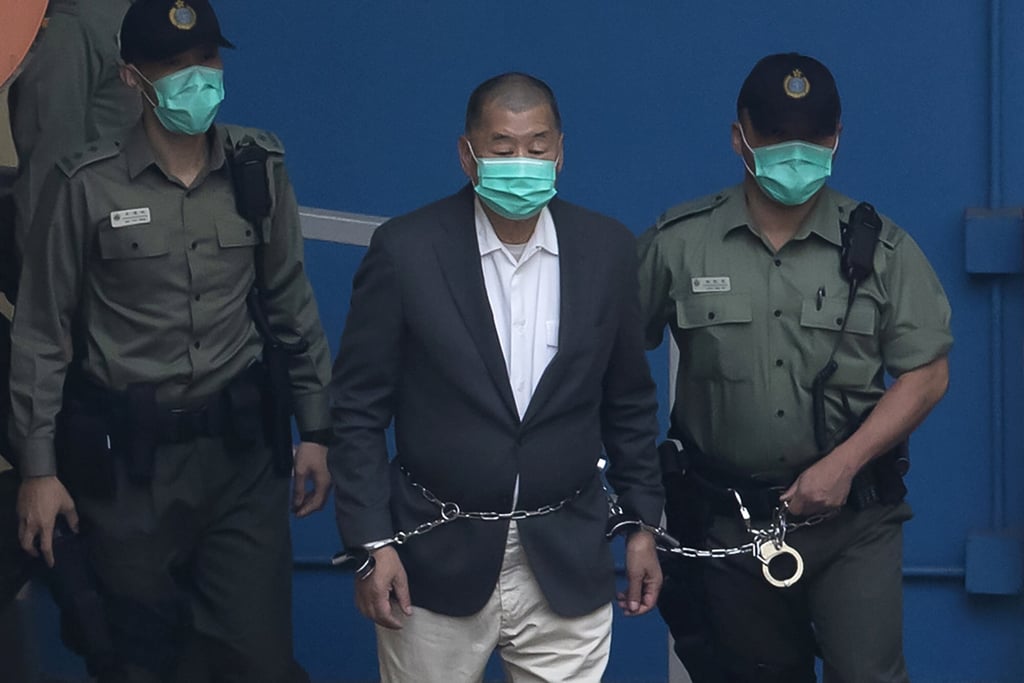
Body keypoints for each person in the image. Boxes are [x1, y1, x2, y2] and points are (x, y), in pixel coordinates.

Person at [9, 1, 333, 680]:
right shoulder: (85, 185)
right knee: (141, 660)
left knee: (259, 661)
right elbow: (42, 334)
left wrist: (316, 429)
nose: (196, 77)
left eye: (206, 59)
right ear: (132, 78)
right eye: (172, 65)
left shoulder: (257, 165)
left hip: (240, 460)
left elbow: (290, 302)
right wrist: (39, 470)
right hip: (129, 471)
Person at [329, 72, 664, 683]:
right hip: (432, 557)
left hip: (568, 554)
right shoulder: (406, 250)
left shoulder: (608, 249)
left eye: (537, 147)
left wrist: (642, 523)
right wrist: (372, 542)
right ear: (467, 155)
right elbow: (357, 407)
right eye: (503, 148)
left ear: (561, 151)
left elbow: (629, 402)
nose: (522, 163)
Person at [638, 53, 952, 682]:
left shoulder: (884, 249)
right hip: (728, 522)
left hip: (853, 521)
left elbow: (927, 373)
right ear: (740, 138)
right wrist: (635, 504)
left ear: (836, 139)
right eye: (778, 137)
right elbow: (610, 361)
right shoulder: (679, 243)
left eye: (813, 138)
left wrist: (845, 463)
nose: (796, 153)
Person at [9, 0, 140, 263]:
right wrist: (48, 279)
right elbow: (46, 176)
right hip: (92, 256)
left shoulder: (139, 11)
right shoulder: (77, 20)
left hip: (139, 247)